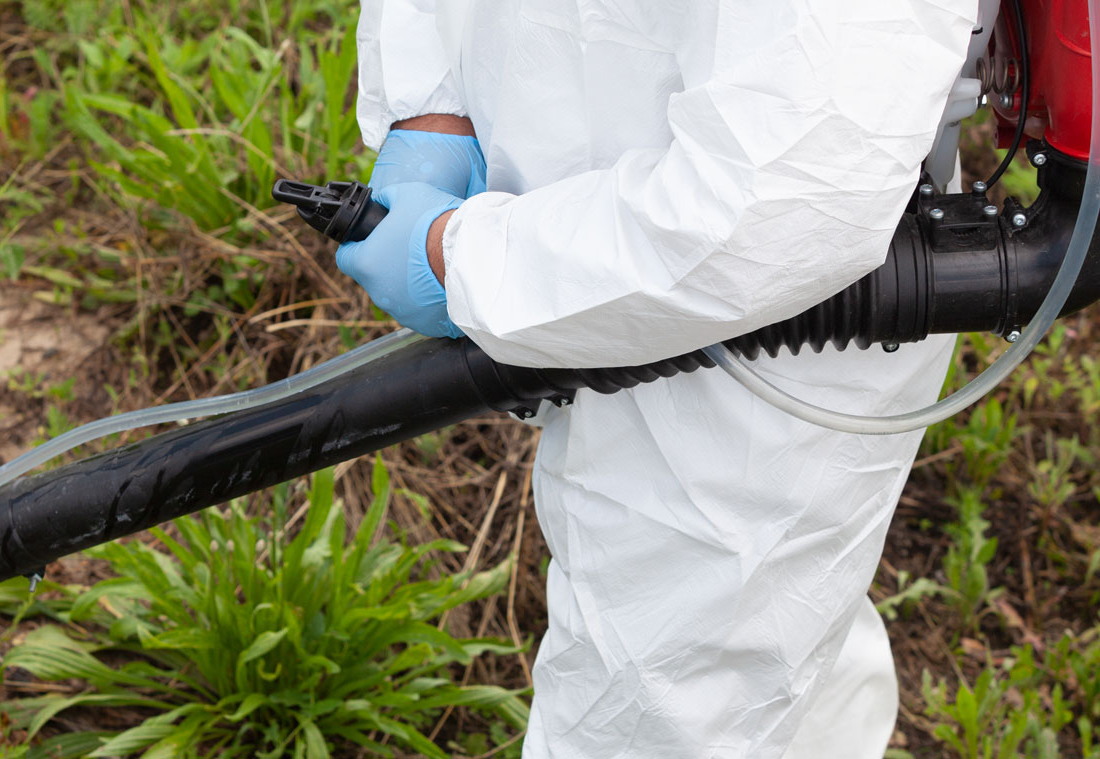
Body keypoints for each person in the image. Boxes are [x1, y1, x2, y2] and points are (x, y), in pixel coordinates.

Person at [335, 2, 978, 757]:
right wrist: (433, 97)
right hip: (586, 242)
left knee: (671, 695)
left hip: (761, 329)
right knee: (771, 642)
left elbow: (795, 180)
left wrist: (468, 258)